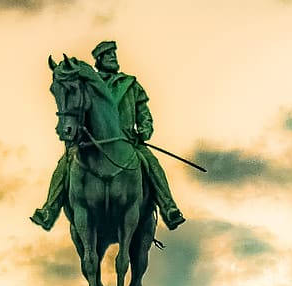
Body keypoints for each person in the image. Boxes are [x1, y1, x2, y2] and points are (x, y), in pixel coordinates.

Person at [31, 40, 185, 232]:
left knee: (151, 162)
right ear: (98, 60)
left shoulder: (130, 84)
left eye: (114, 54)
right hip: (92, 143)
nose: (113, 57)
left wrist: (144, 131)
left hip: (128, 140)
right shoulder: (89, 86)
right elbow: (77, 109)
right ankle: (49, 210)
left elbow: (143, 112)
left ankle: (169, 207)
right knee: (66, 163)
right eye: (107, 55)